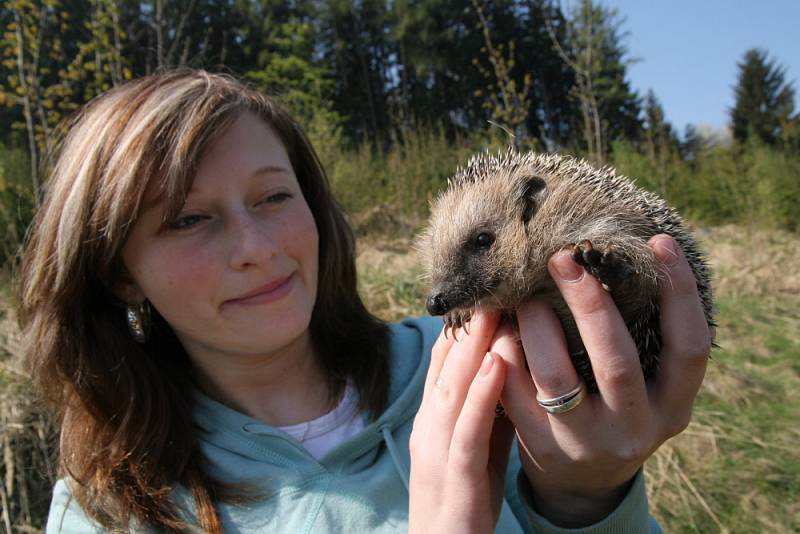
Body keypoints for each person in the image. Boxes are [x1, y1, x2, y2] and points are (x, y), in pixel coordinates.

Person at [17, 70, 712, 533]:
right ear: (120, 275)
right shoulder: (104, 513)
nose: (255, 245)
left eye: (274, 196)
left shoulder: (464, 364)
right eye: (186, 219)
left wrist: (588, 495)